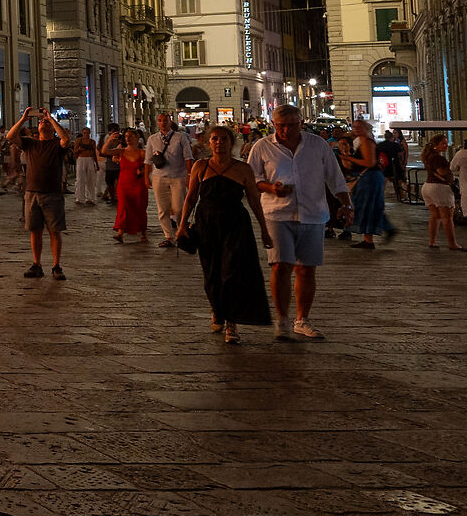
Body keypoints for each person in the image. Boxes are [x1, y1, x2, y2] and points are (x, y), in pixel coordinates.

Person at [247, 104, 348, 340]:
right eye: (281, 125)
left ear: (301, 123)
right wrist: (270, 188)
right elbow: (252, 178)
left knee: (306, 268)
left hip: (312, 213)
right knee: (281, 265)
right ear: (273, 124)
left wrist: (347, 204)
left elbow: (335, 177)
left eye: (292, 125)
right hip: (276, 213)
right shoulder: (262, 147)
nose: (286, 130)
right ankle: (281, 319)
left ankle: (302, 319)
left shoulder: (317, 145)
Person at [182, 125, 275, 343]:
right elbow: (191, 197)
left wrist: (264, 229)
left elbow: (254, 200)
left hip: (235, 225)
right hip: (206, 224)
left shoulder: (243, 169)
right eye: (214, 139)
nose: (218, 143)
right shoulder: (200, 166)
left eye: (223, 139)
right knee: (212, 273)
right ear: (207, 142)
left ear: (231, 143)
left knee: (232, 272)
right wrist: (182, 224)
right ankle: (217, 310)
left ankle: (232, 323)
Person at [8, 107, 70, 279]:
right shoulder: (30, 143)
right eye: (41, 121)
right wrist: (23, 119)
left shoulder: (56, 145)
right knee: (35, 230)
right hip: (32, 192)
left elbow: (65, 138)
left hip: (52, 193)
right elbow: (10, 137)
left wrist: (51, 119)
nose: (42, 122)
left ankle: (56, 265)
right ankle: (37, 264)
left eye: (46, 122)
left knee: (54, 230)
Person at [344, 119, 393, 250]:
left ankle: (369, 240)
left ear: (366, 128)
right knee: (371, 206)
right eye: (354, 127)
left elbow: (369, 162)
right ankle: (385, 230)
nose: (356, 129)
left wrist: (348, 158)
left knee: (366, 206)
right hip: (369, 178)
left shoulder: (366, 141)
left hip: (369, 178)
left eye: (359, 127)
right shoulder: (362, 139)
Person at [148, 113, 194, 248]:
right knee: (163, 210)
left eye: (165, 120)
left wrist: (189, 176)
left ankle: (181, 230)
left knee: (179, 208)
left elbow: (188, 157)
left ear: (170, 122)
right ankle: (169, 236)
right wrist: (146, 177)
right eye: (160, 120)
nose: (162, 123)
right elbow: (147, 160)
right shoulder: (152, 139)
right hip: (159, 177)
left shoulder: (181, 138)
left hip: (178, 176)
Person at [419, 133, 461, 250]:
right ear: (435, 145)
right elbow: (442, 172)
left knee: (435, 216)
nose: (446, 146)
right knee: (447, 217)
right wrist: (450, 167)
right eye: (443, 143)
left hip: (428, 187)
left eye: (446, 144)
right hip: (439, 188)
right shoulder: (438, 158)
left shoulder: (428, 156)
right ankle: (452, 243)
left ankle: (432, 241)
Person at [110, 128, 150, 243]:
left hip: (138, 184)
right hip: (124, 184)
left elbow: (149, 166)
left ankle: (143, 232)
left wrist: (144, 173)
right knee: (123, 208)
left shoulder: (142, 153)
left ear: (137, 139)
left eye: (130, 136)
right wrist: (110, 140)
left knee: (140, 208)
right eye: (126, 136)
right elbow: (105, 151)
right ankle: (120, 233)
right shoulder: (121, 150)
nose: (127, 139)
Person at [72, 127, 102, 206]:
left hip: (90, 159)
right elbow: (75, 151)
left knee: (91, 179)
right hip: (81, 159)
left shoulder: (92, 142)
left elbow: (94, 154)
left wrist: (96, 163)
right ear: (83, 133)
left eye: (88, 133)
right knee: (80, 179)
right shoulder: (79, 141)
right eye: (85, 133)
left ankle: (91, 198)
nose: (86, 134)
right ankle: (79, 198)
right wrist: (79, 150)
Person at [380, 126, 411, 203]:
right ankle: (401, 195)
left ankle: (404, 194)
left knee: (398, 180)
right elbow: (399, 154)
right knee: (398, 181)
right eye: (393, 133)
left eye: (396, 133)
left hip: (391, 164)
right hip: (394, 164)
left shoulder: (401, 141)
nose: (394, 134)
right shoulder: (394, 143)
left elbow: (405, 152)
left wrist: (404, 162)